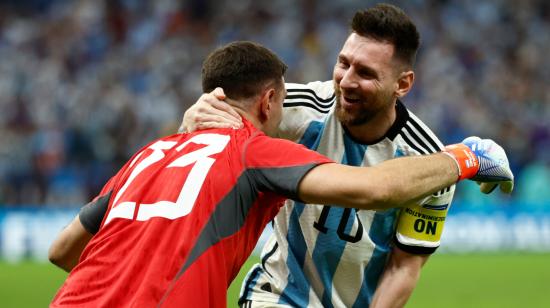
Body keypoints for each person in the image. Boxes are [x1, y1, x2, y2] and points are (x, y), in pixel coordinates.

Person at [48, 41, 511, 307]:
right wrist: (466, 158)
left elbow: (63, 251)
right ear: (270, 102)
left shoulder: (148, 154)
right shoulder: (255, 153)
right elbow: (378, 187)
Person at [180, 4, 511, 308]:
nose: (346, 81)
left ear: (403, 84)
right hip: (275, 296)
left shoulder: (428, 163)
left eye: (365, 73)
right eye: (343, 63)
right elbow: (211, 129)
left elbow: (403, 268)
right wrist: (194, 120)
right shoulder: (295, 109)